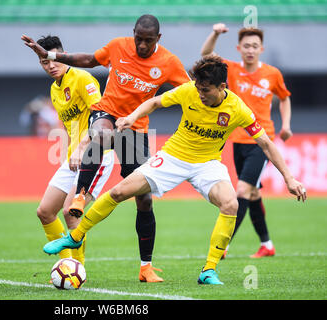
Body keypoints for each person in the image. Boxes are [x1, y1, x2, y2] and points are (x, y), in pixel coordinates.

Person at [42, 55, 307, 285]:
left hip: (207, 165)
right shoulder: (189, 91)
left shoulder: (237, 108)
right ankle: (75, 237)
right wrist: (133, 117)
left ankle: (209, 270)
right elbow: (155, 103)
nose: (200, 93)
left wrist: (290, 179)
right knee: (121, 191)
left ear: (222, 87)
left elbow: (266, 144)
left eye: (206, 89)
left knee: (231, 204)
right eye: (198, 87)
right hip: (173, 157)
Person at [22, 15, 190, 282]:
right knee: (100, 133)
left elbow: (189, 92)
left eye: (148, 41)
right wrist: (52, 54)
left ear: (158, 39)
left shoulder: (168, 62)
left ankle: (146, 267)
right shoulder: (118, 46)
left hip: (135, 129)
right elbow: (89, 59)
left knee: (144, 200)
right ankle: (80, 196)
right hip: (107, 114)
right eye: (138, 39)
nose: (142, 45)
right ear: (132, 33)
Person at [201, 24, 293, 259]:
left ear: (261, 48)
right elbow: (205, 55)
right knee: (252, 195)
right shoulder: (231, 69)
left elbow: (284, 98)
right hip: (238, 139)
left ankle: (224, 244)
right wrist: (215, 34)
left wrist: (286, 125)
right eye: (246, 46)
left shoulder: (272, 74)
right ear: (238, 48)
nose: (250, 50)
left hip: (261, 141)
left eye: (254, 46)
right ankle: (267, 245)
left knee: (242, 190)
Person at [33, 35, 115, 266]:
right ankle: (65, 264)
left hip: (96, 155)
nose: (50, 66)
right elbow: (70, 127)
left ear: (63, 56)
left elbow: (102, 118)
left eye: (53, 60)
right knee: (45, 211)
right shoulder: (54, 90)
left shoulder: (82, 78)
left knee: (71, 212)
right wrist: (71, 152)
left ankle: (76, 270)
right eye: (44, 62)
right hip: (73, 158)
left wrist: (81, 148)